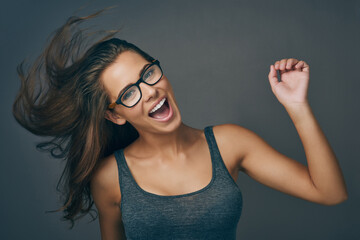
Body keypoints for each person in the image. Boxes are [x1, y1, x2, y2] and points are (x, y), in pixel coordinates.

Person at [13, 11, 348, 240]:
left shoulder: (231, 143)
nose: (150, 91)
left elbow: (330, 193)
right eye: (130, 92)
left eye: (148, 74)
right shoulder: (109, 179)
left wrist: (297, 106)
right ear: (115, 115)